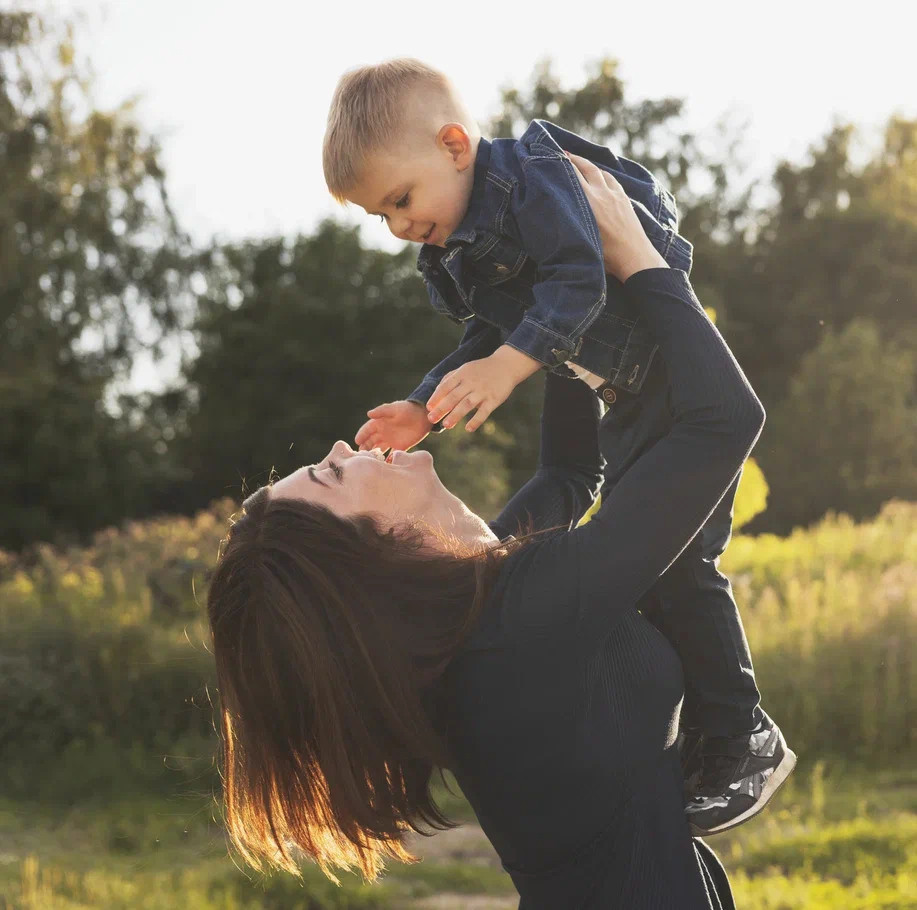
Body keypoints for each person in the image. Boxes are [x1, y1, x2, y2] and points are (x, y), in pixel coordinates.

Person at [206, 157, 764, 907]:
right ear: (367, 554)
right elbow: (723, 422)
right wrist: (638, 261)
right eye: (332, 475)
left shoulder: (474, 614)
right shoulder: (517, 625)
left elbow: (570, 474)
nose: (342, 448)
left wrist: (556, 316)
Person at [322, 58, 795, 833]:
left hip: (669, 373)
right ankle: (709, 737)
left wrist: (511, 367)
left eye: (400, 199)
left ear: (452, 144)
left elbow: (576, 282)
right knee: (655, 573)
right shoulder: (462, 249)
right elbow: (491, 331)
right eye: (380, 216)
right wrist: (420, 406)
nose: (400, 226)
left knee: (681, 567)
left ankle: (742, 733)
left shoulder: (535, 183)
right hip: (627, 397)